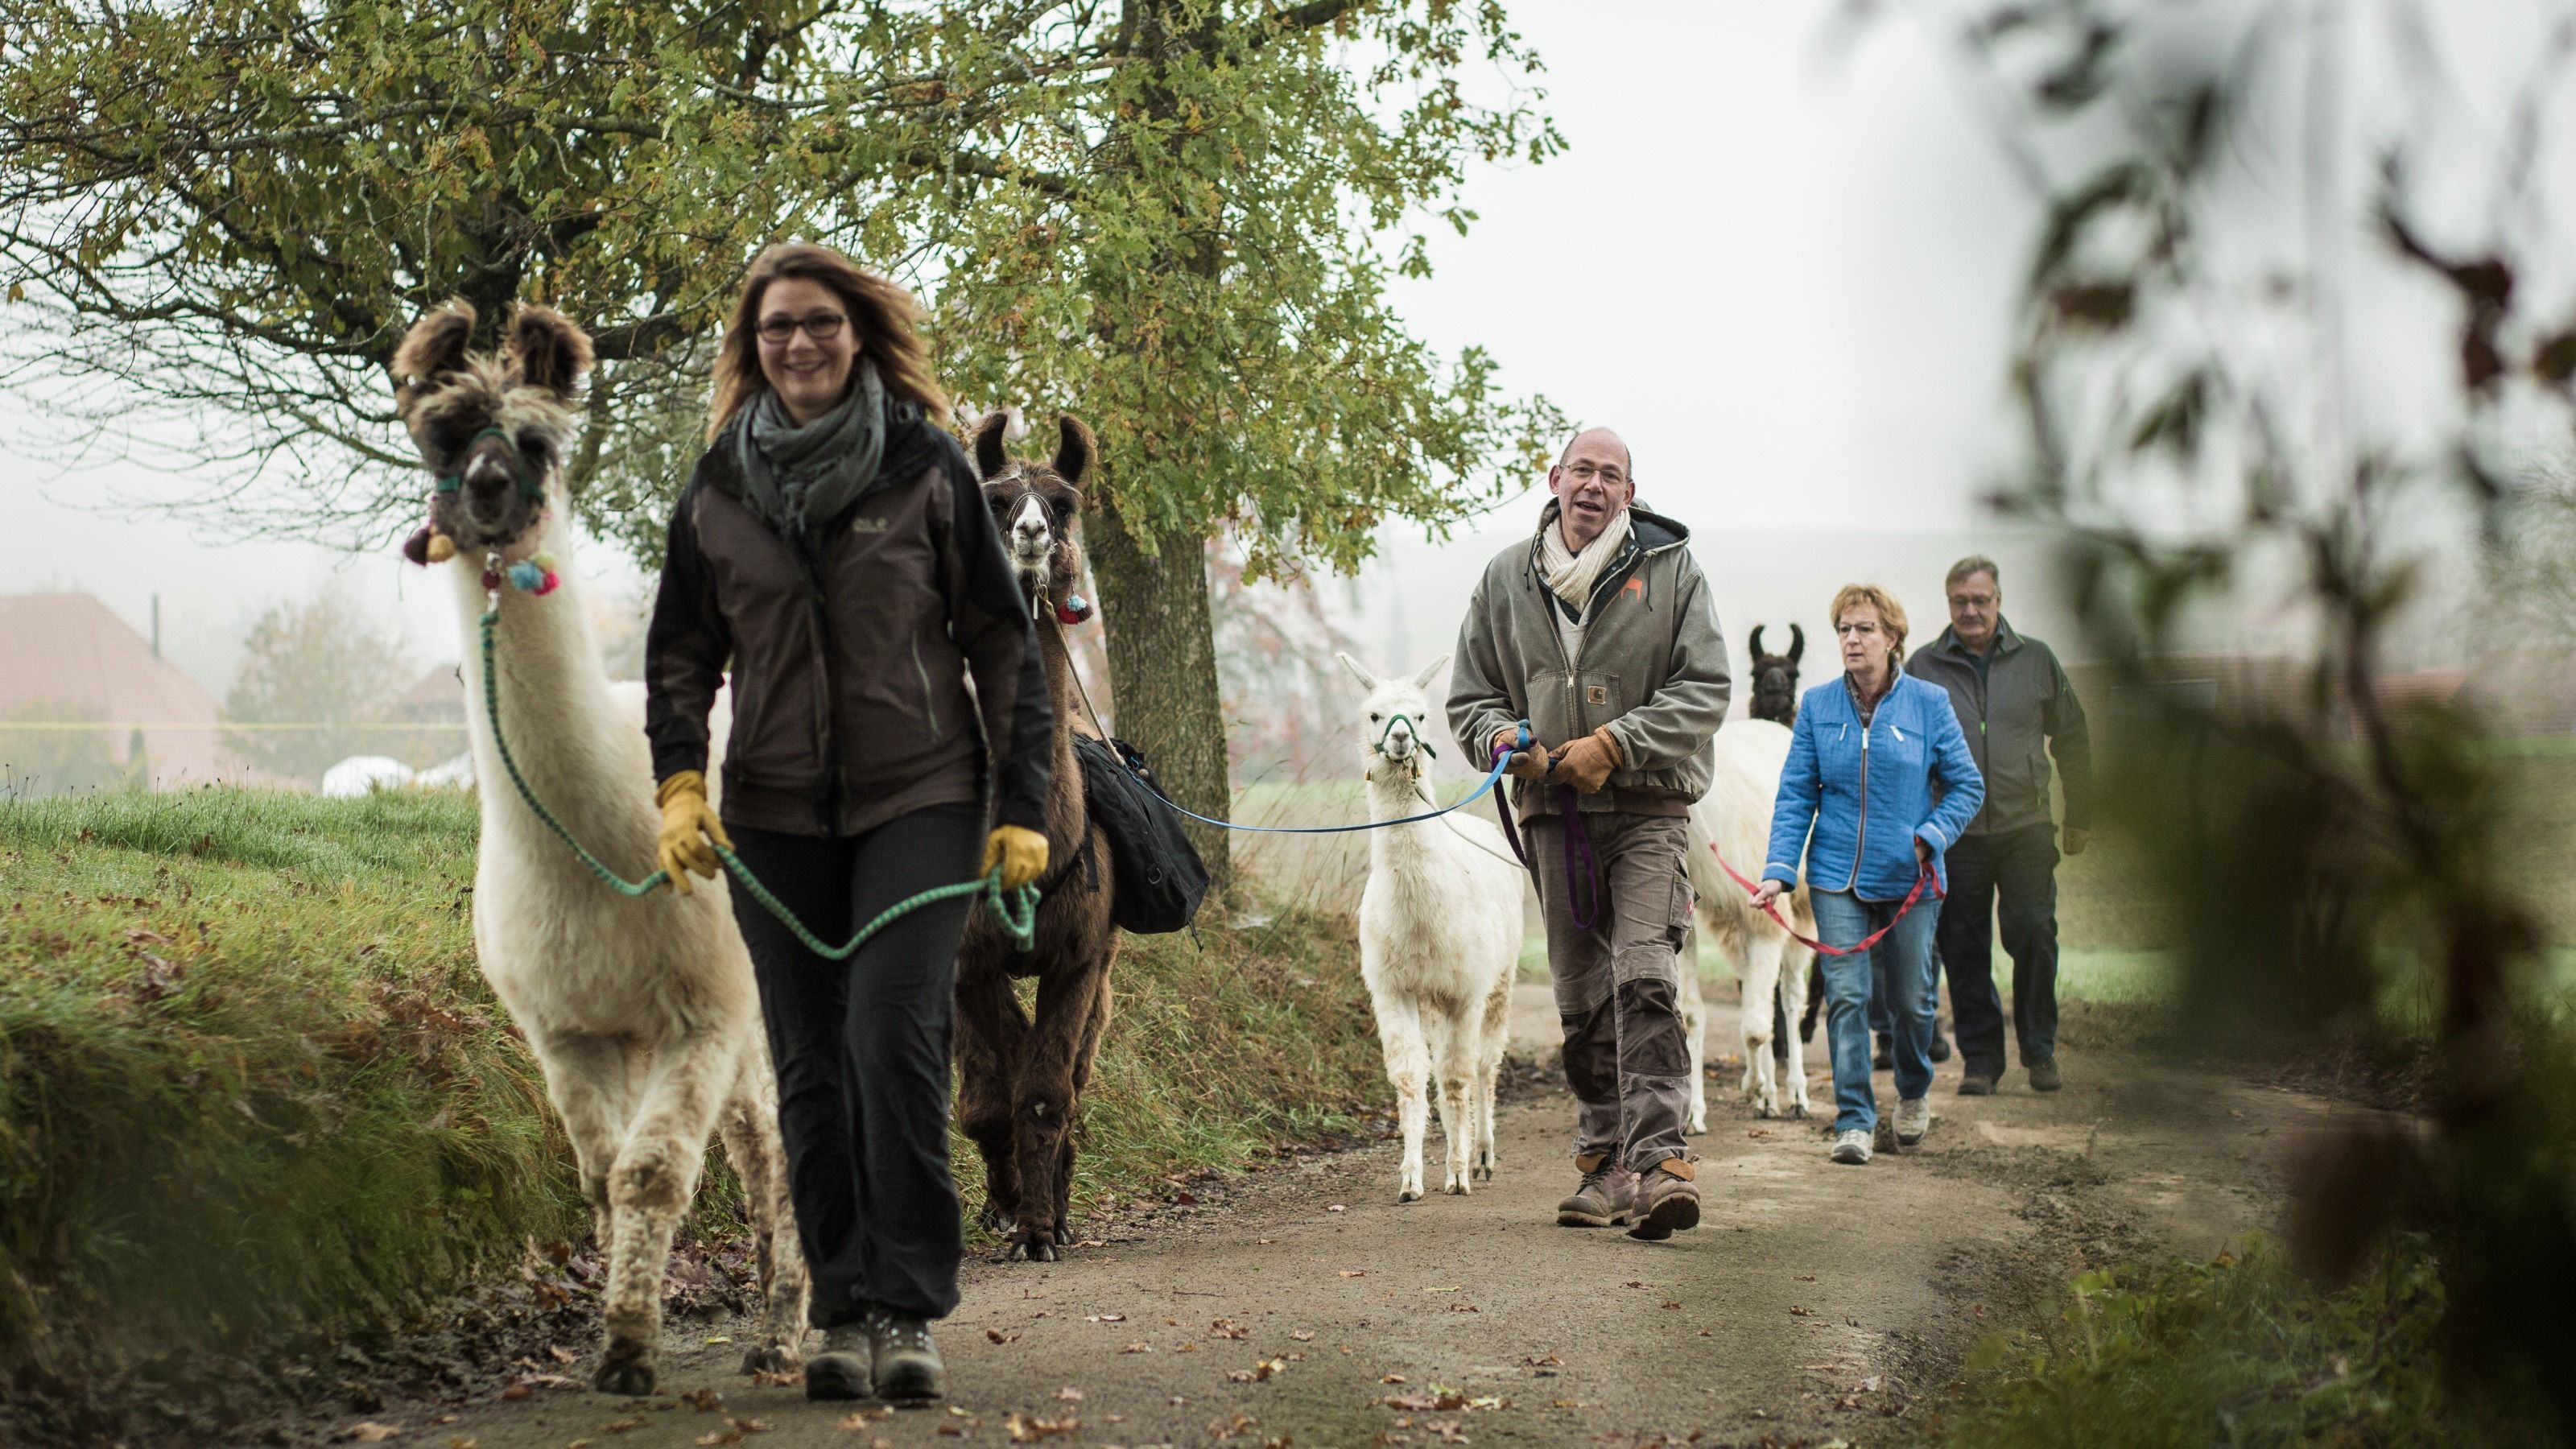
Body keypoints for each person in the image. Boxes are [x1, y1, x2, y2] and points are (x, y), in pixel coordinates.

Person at [642, 242, 1055, 1403]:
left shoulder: (927, 469)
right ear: (753, 345)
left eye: (820, 321)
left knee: (891, 1037)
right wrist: (679, 783)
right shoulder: (719, 487)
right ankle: (839, 1306)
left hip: (920, 798)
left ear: (858, 334)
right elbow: (679, 655)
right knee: (808, 1066)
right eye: (776, 326)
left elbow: (1000, 644)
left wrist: (1021, 807)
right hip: (773, 815)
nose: (799, 343)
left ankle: (907, 1307)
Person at [1447, 427, 1732, 1239]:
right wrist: (1504, 739)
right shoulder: (1506, 578)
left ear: (1628, 495)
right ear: (1555, 479)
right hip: (1553, 815)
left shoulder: (1672, 572)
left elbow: (1705, 688)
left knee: (1644, 976)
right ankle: (1604, 1163)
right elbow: (1471, 698)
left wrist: (1614, 745)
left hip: (1647, 808)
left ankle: (1660, 1163)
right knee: (1579, 995)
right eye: (1582, 470)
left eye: (1610, 475)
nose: (1593, 485)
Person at [1753, 584, 1981, 1166]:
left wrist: (1932, 835)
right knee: (1848, 998)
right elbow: (1796, 794)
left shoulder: (1929, 703)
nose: (1852, 640)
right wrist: (1779, 870)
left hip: (1911, 878)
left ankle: (1913, 1089)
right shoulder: (1818, 706)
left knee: (1912, 1001)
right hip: (1835, 877)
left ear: (1892, 637)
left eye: (1865, 629)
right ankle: (1854, 1119)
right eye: (1844, 630)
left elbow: (1967, 786)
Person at [1905, 555, 2093, 1094]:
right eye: (1960, 601)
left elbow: (2072, 735)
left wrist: (2080, 814)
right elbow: (1905, 749)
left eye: (1980, 600)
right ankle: (1982, 1061)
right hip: (1955, 832)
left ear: (1998, 601)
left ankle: (2039, 1048)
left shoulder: (2037, 660)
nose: (1970, 610)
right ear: (1948, 603)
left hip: (2026, 826)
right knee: (1963, 947)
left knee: (2033, 929)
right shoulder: (1924, 666)